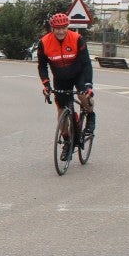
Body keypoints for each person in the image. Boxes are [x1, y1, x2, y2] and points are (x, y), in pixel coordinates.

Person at [37, 12, 96, 152]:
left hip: (78, 74)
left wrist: (88, 84)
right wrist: (46, 85)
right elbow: (42, 66)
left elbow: (87, 63)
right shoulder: (44, 42)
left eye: (64, 27)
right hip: (60, 78)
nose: (61, 31)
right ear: (52, 28)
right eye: (57, 28)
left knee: (83, 96)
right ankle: (67, 140)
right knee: (62, 110)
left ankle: (91, 115)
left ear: (67, 27)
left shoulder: (77, 39)